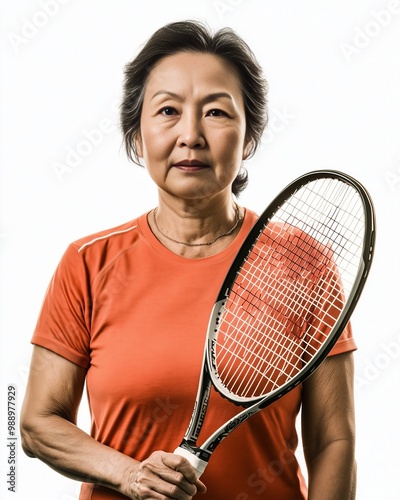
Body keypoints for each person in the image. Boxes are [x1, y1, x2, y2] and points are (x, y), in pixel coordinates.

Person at [20, 20, 357, 499]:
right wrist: (127, 474)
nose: (191, 134)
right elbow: (37, 424)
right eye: (168, 111)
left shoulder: (304, 263)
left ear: (251, 137)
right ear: (137, 136)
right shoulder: (87, 263)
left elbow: (334, 440)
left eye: (217, 112)